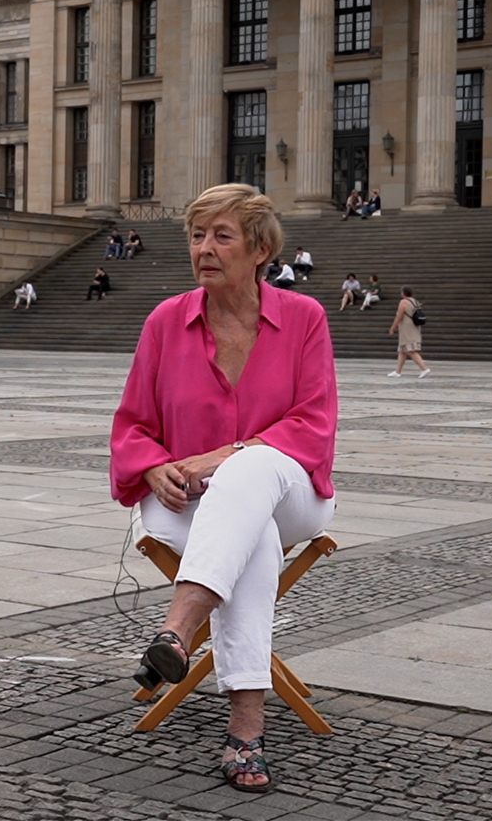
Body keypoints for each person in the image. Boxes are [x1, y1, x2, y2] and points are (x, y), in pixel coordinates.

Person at [111, 183, 336, 794]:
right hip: (186, 502)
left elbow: (313, 425)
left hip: (292, 490)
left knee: (250, 476)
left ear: (261, 248)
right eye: (196, 235)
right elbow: (131, 423)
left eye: (222, 236)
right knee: (251, 537)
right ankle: (246, 727)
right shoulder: (165, 322)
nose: (204, 248)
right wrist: (154, 464)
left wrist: (227, 456)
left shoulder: (304, 319)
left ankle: (177, 632)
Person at [387, 286, 431, 379]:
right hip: (414, 327)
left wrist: (392, 328)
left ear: (403, 293)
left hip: (407, 327)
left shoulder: (403, 302)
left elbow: (399, 316)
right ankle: (397, 371)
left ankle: (424, 368)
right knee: (402, 350)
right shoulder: (415, 301)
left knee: (410, 350)